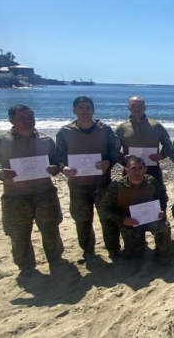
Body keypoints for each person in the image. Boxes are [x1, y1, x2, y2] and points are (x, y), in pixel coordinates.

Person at [0, 104, 65, 276]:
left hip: (45, 194)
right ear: (11, 121)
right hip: (15, 196)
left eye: (30, 117)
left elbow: (57, 161)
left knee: (51, 229)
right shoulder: (1, 141)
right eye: (21, 118)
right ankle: (26, 267)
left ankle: (56, 260)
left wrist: (56, 168)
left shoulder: (46, 140)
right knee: (19, 235)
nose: (27, 121)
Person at [55, 96, 123, 263]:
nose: (84, 111)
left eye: (88, 107)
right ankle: (88, 251)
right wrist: (63, 167)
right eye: (81, 108)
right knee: (82, 220)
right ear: (74, 110)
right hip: (78, 186)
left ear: (93, 110)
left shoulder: (105, 130)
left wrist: (109, 161)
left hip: (102, 184)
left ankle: (113, 249)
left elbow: (115, 151)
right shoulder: (65, 132)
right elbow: (57, 156)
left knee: (107, 219)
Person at [97, 156, 170, 264]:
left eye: (140, 168)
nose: (137, 172)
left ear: (145, 169)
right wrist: (123, 219)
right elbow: (104, 208)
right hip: (129, 221)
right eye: (133, 168)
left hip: (149, 218)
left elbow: (162, 198)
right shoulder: (117, 186)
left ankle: (161, 254)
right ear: (126, 169)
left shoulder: (152, 181)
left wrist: (161, 211)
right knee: (135, 257)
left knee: (164, 227)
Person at [114, 96, 172, 182]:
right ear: (128, 108)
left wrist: (161, 155)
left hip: (152, 169)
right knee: (130, 195)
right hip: (131, 170)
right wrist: (123, 159)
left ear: (145, 107)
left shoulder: (156, 126)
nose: (137, 108)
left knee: (156, 194)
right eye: (133, 106)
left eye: (140, 105)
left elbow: (168, 145)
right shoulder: (121, 128)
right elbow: (113, 150)